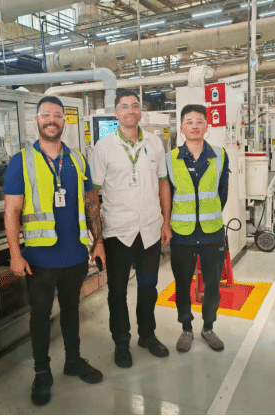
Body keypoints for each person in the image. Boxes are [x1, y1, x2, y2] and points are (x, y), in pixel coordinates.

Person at [3, 96, 105, 406]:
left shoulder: (77, 160)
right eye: (45, 114)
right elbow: (12, 210)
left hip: (74, 254)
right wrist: (15, 254)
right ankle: (42, 372)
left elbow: (91, 202)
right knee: (40, 315)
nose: (51, 120)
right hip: (40, 258)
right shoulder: (21, 161)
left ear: (64, 121)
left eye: (57, 115)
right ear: (36, 121)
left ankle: (73, 361)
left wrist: (98, 241)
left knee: (72, 310)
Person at [90, 90, 172, 368]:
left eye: (135, 106)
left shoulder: (155, 143)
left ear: (141, 111)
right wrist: (97, 238)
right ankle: (121, 342)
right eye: (124, 107)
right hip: (117, 231)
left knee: (148, 287)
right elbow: (93, 194)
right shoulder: (103, 147)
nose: (130, 110)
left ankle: (147, 336)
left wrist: (166, 222)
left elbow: (163, 183)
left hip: (149, 229)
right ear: (116, 113)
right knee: (117, 291)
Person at [166, 104, 230, 353]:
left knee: (212, 284)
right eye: (189, 122)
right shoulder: (170, 158)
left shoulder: (220, 155)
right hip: (182, 232)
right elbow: (167, 195)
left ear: (207, 126)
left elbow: (222, 192)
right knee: (182, 283)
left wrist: (207, 213)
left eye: (199, 121)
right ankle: (186, 328)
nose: (194, 126)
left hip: (211, 231)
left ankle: (208, 327)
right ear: (182, 128)